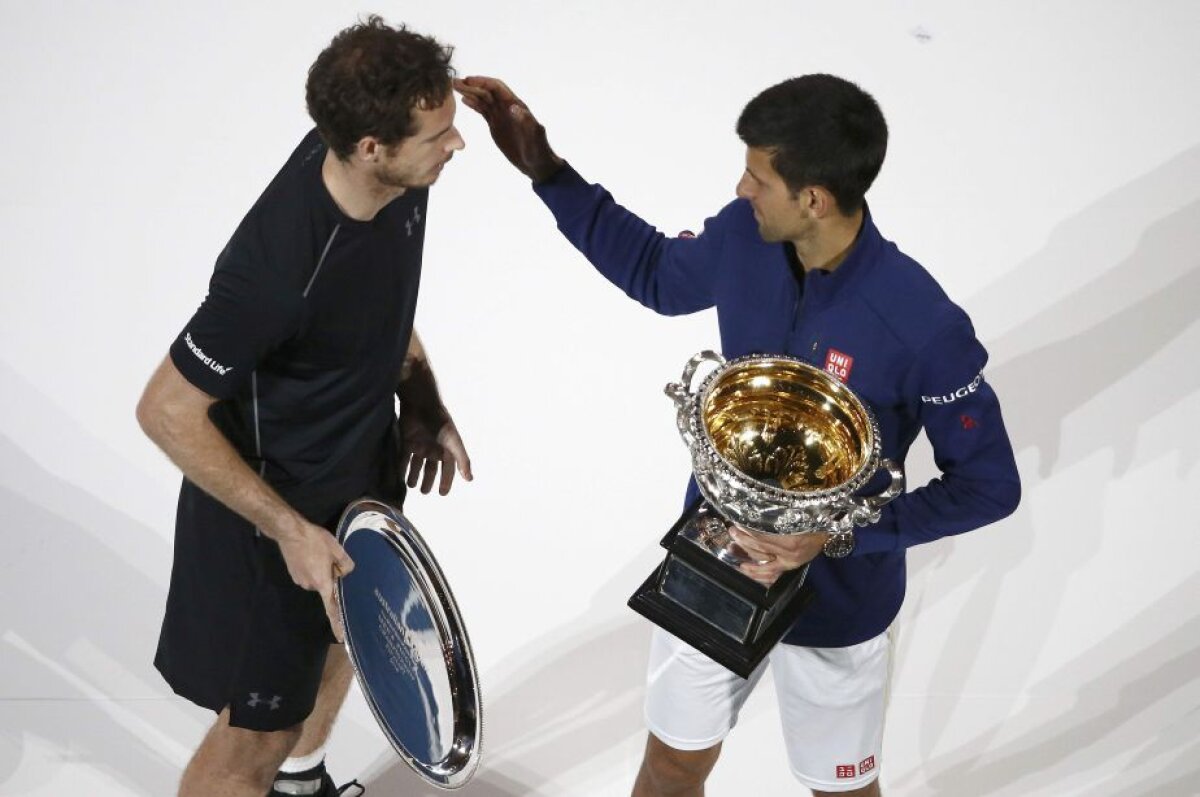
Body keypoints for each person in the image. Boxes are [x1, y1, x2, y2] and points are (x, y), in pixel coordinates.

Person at [456, 74, 1020, 796]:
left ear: (812, 197)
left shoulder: (923, 325)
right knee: (671, 767)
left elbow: (988, 484)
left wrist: (839, 535)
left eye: (758, 177)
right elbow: (657, 273)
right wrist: (547, 171)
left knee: (841, 790)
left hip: (840, 600)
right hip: (713, 562)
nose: (742, 187)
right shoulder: (745, 237)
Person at [136, 18, 472, 797]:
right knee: (256, 735)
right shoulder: (275, 269)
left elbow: (375, 302)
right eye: (438, 136)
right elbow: (165, 409)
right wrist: (289, 530)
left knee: (345, 639)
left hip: (356, 471)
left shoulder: (396, 182)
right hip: (274, 515)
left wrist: (420, 397)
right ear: (370, 147)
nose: (456, 147)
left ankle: (301, 785)